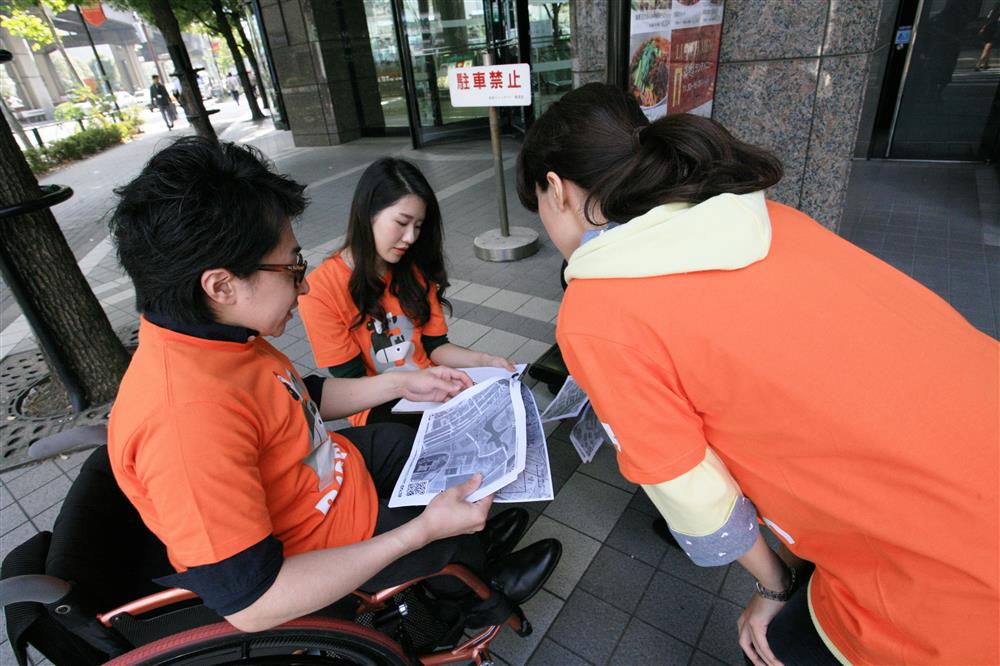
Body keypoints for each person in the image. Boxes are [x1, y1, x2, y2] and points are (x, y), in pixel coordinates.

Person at [515, 83, 998, 665]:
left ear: (555, 190)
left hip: (946, 580)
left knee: (769, 645)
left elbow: (686, 486)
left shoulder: (600, 311)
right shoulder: (769, 219)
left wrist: (775, 586)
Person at [107, 137, 560, 634]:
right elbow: (254, 604)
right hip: (323, 540)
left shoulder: (219, 336)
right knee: (440, 540)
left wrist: (403, 384)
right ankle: (472, 594)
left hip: (328, 476)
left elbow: (305, 396)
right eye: (291, 266)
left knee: (410, 443)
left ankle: (471, 544)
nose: (302, 285)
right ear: (221, 285)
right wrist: (421, 532)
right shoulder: (184, 420)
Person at [298, 157, 514, 428]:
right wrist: (407, 387)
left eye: (418, 226)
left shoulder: (413, 268)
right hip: (377, 405)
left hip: (432, 388)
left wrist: (485, 360)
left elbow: (435, 347)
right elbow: (350, 380)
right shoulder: (320, 290)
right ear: (367, 214)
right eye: (402, 222)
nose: (411, 237)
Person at [976, 2, 1000, 70]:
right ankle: (978, 64)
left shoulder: (992, 11)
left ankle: (985, 64)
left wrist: (982, 29)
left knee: (987, 48)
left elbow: (987, 20)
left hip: (987, 29)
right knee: (987, 48)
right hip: (995, 30)